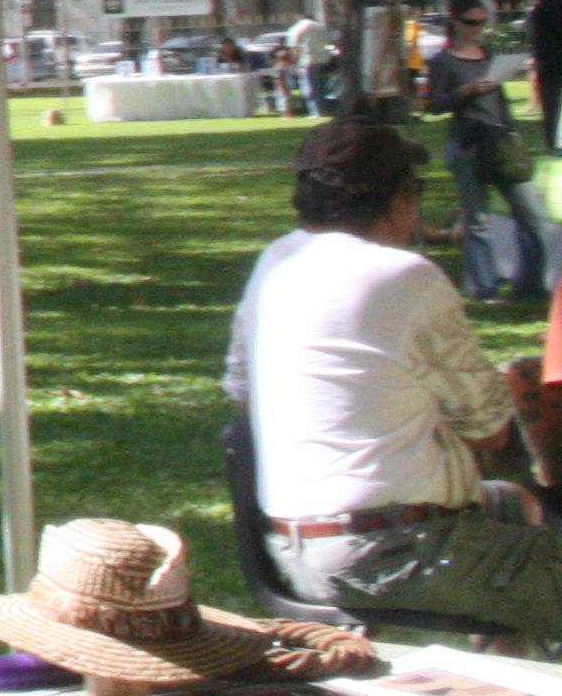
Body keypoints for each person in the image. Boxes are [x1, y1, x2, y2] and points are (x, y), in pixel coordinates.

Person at [227, 117, 562, 643]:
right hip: (397, 551)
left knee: (516, 506)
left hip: (288, 550)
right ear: (398, 200)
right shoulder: (405, 277)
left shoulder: (276, 262)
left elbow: (243, 403)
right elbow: (490, 431)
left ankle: (502, 671)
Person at [423, 3, 550, 303]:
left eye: (482, 22)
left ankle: (530, 285)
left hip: (501, 142)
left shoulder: (489, 55)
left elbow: (499, 102)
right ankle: (484, 288)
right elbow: (434, 104)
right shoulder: (443, 61)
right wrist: (465, 92)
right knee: (477, 221)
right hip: (468, 146)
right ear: (456, 23)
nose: (477, 28)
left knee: (532, 216)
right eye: (471, 22)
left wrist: (510, 130)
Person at [531, 0, 562, 157]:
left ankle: (555, 144)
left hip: (551, 66)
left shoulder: (542, 9)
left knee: (552, 107)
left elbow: (541, 41)